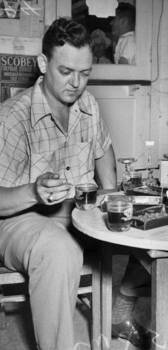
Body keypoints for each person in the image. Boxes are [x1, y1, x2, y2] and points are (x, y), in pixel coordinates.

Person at [0, 17, 116, 350]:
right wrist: (34, 191)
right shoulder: (12, 117)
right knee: (57, 249)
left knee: (141, 223)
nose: (76, 83)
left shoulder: (88, 105)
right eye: (66, 72)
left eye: (85, 73)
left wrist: (109, 195)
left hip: (77, 214)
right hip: (19, 221)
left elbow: (104, 152)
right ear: (42, 64)